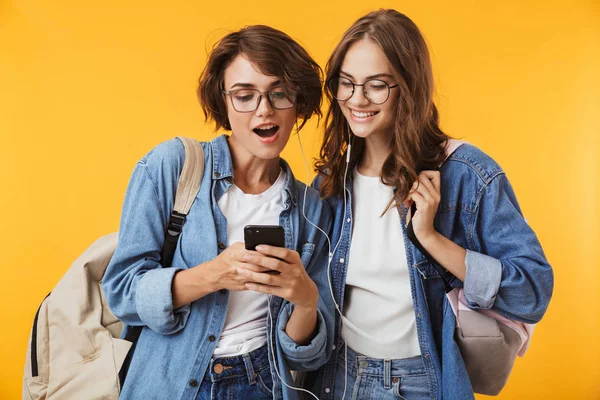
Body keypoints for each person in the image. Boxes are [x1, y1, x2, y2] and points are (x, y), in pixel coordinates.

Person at [307, 9, 553, 400]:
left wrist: (431, 238)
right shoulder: (331, 181)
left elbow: (533, 292)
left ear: (408, 86)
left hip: (418, 381)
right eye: (347, 83)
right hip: (338, 376)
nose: (357, 99)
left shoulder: (466, 174)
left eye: (376, 85)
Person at [102, 25, 334, 400]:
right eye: (245, 95)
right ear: (223, 102)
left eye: (279, 93)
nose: (264, 109)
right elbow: (122, 292)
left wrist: (306, 300)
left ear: (299, 101)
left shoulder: (312, 208)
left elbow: (307, 356)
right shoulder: (172, 166)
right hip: (171, 382)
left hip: (266, 384)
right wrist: (212, 275)